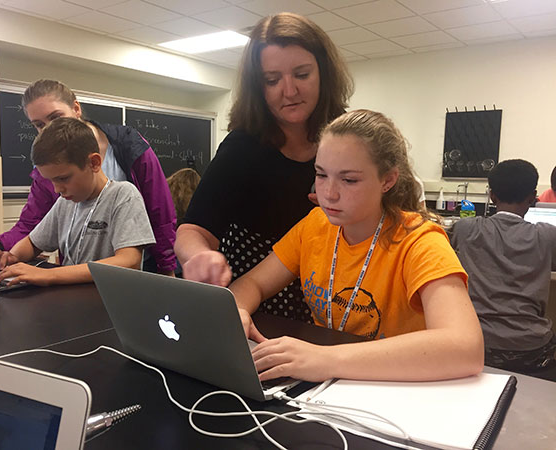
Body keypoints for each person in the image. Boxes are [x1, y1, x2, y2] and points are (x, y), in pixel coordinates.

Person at [230, 109, 484, 382]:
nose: (329, 193)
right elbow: (252, 284)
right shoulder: (315, 225)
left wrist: (324, 359)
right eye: (321, 175)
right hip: (328, 382)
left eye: (349, 180)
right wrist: (239, 310)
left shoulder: (419, 240)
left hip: (395, 386)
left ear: (387, 180)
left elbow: (466, 347)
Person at [175, 13, 353, 322]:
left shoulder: (346, 140)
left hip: (328, 296)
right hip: (250, 300)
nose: (289, 90)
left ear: (324, 74)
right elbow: (192, 230)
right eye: (272, 80)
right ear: (259, 87)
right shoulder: (242, 148)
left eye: (302, 74)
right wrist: (200, 256)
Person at [0, 79, 176, 275]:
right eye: (39, 125)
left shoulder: (128, 157)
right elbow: (31, 227)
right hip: (75, 279)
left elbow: (161, 216)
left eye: (55, 117)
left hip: (128, 278)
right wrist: (3, 248)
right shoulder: (63, 196)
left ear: (76, 108)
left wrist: (168, 270)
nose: (49, 129)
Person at [0, 118, 155, 286]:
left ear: (94, 163)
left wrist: (49, 275)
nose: (57, 189)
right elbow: (33, 242)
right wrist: (13, 256)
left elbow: (129, 261)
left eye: (63, 178)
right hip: (71, 300)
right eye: (51, 181)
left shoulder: (123, 196)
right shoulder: (65, 203)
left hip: (107, 304)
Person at [451, 159, 556, 381]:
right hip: (532, 348)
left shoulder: (466, 230)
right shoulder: (547, 236)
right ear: (533, 197)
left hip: (477, 343)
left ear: (492, 195)